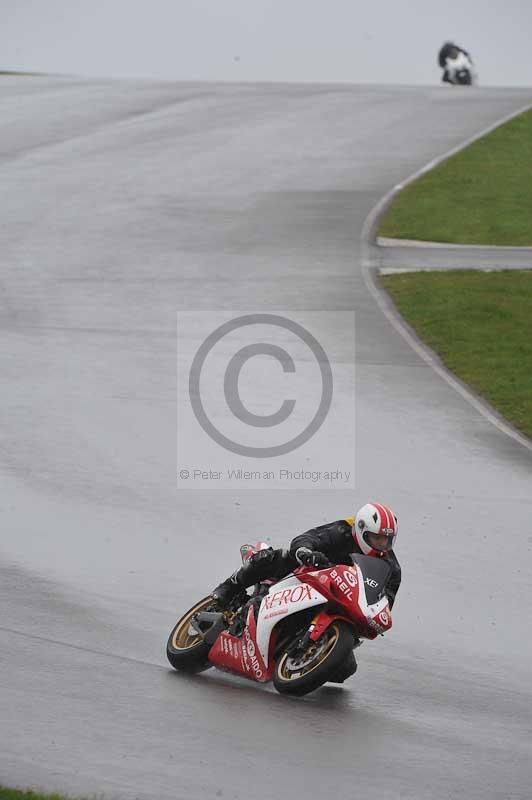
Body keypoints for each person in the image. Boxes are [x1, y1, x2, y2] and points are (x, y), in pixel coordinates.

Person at [212, 501, 401, 610]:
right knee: (277, 556)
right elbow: (307, 538)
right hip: (306, 574)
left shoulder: (391, 568)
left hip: (337, 599)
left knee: (346, 667)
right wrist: (307, 553)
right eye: (377, 538)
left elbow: (386, 603)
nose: (382, 544)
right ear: (361, 530)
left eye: (386, 539)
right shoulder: (341, 531)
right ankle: (228, 588)